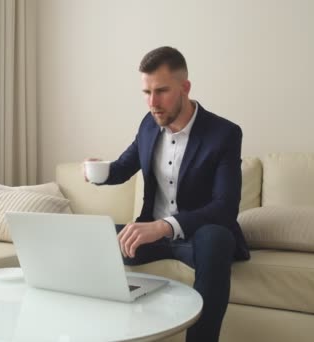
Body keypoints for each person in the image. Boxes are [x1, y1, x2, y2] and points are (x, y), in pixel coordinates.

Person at [84, 46, 249, 342]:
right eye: (146, 92)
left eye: (161, 91)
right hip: (153, 236)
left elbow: (225, 207)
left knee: (217, 238)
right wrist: (100, 171)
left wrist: (164, 226)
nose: (152, 102)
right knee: (91, 238)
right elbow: (123, 167)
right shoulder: (149, 125)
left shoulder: (223, 134)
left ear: (185, 87)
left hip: (198, 237)